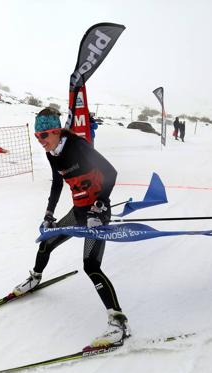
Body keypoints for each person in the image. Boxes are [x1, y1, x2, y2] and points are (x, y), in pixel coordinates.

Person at [13, 107, 130, 348]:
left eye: (44, 135)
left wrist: (99, 205)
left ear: (56, 131)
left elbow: (110, 172)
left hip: (97, 213)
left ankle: (119, 323)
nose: (40, 141)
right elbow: (57, 183)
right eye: (37, 136)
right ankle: (35, 278)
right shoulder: (52, 153)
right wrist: (49, 213)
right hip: (77, 212)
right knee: (46, 240)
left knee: (91, 265)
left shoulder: (78, 147)